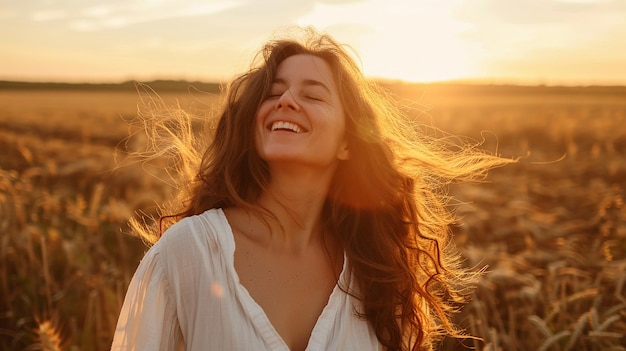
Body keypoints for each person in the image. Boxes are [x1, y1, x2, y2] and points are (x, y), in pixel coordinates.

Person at [111, 27, 513, 351]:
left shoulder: (376, 273)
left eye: (312, 94)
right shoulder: (190, 253)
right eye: (273, 93)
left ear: (346, 142)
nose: (286, 100)